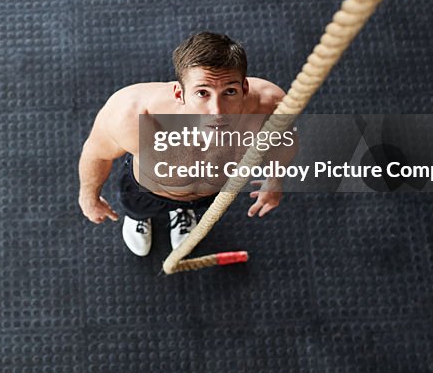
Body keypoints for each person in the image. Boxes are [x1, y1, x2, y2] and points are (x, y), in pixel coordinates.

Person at [77, 31, 290, 256]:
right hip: (147, 191)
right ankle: (140, 218)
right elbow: (96, 153)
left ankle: (183, 213)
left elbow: (281, 144)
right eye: (202, 93)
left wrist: (275, 180)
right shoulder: (132, 114)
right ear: (180, 94)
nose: (217, 111)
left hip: (212, 192)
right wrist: (89, 197)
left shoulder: (270, 107)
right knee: (137, 208)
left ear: (244, 89)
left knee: (200, 204)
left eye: (229, 91)